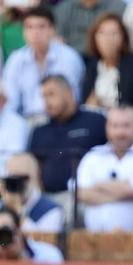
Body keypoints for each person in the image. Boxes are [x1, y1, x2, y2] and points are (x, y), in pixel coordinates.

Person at [75, 106, 133, 231]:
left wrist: (99, 185)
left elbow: (131, 189)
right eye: (115, 126)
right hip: (93, 239)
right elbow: (80, 193)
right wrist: (120, 192)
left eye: (125, 126)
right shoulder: (93, 155)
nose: (120, 132)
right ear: (107, 127)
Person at [28, 74, 106, 203]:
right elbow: (33, 167)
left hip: (85, 196)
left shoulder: (95, 121)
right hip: (48, 199)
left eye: (51, 94)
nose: (46, 101)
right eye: (44, 96)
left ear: (69, 93)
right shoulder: (39, 131)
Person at [1, 7, 84, 123]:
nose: (35, 33)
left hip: (60, 120)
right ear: (23, 32)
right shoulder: (15, 60)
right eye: (29, 27)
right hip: (25, 121)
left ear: (53, 30)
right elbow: (10, 102)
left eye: (41, 27)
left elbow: (71, 100)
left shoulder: (69, 58)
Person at [81, 11, 133, 111]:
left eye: (114, 33)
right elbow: (86, 105)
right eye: (102, 33)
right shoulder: (90, 65)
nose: (108, 39)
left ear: (123, 38)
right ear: (94, 38)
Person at [0, 205, 64, 264]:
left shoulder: (48, 253)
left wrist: (19, 256)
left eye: (6, 230)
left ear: (19, 229)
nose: (2, 235)